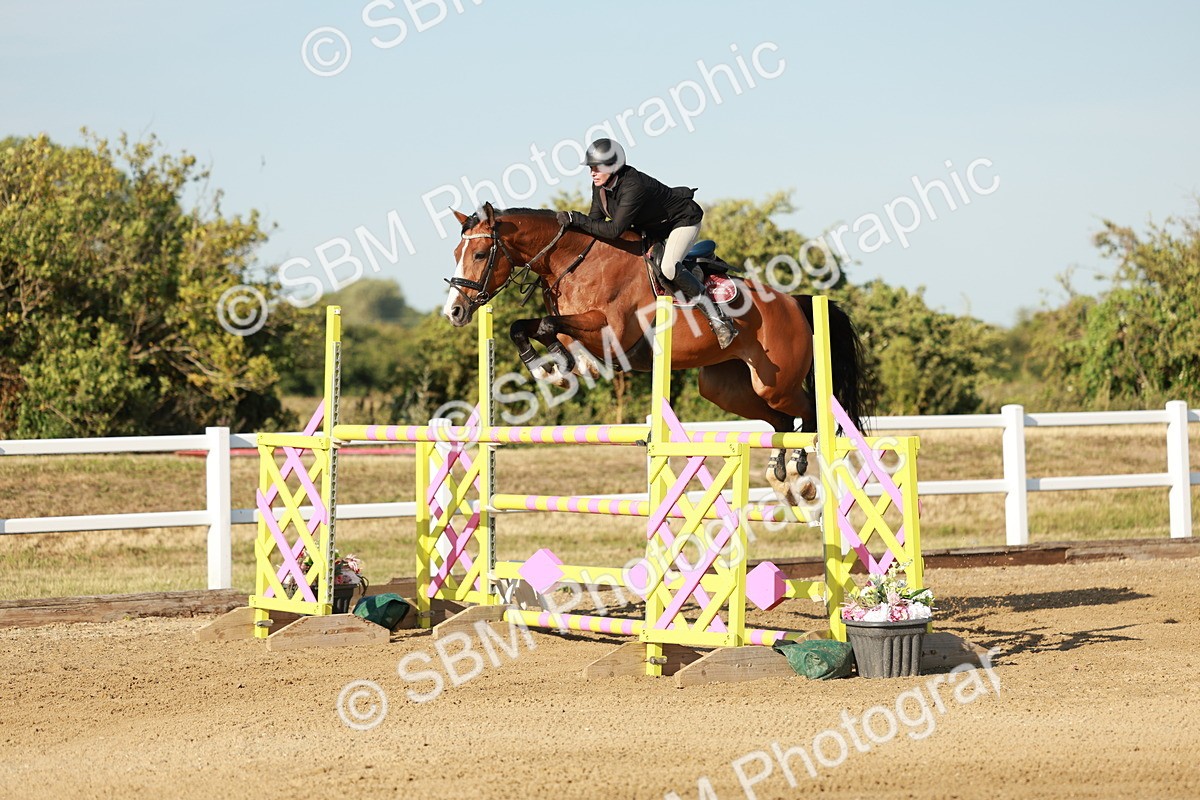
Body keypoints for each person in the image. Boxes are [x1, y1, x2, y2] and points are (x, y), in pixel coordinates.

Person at [556, 138, 737, 348]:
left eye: (597, 168)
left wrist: (575, 219)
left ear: (613, 167)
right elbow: (595, 223)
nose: (592, 173)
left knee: (669, 268)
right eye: (591, 168)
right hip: (652, 227)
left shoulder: (633, 185)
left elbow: (614, 230)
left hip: (682, 221)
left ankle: (718, 318)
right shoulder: (600, 186)